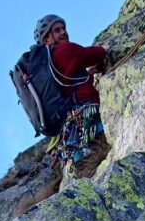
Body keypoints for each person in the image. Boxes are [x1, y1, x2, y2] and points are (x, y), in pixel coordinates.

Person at [33, 14, 110, 182]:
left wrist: (87, 73)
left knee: (88, 170)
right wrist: (103, 49)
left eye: (63, 29)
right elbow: (92, 54)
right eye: (57, 30)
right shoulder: (65, 50)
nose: (63, 33)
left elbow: (67, 83)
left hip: (71, 127)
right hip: (87, 114)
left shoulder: (50, 65)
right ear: (46, 39)